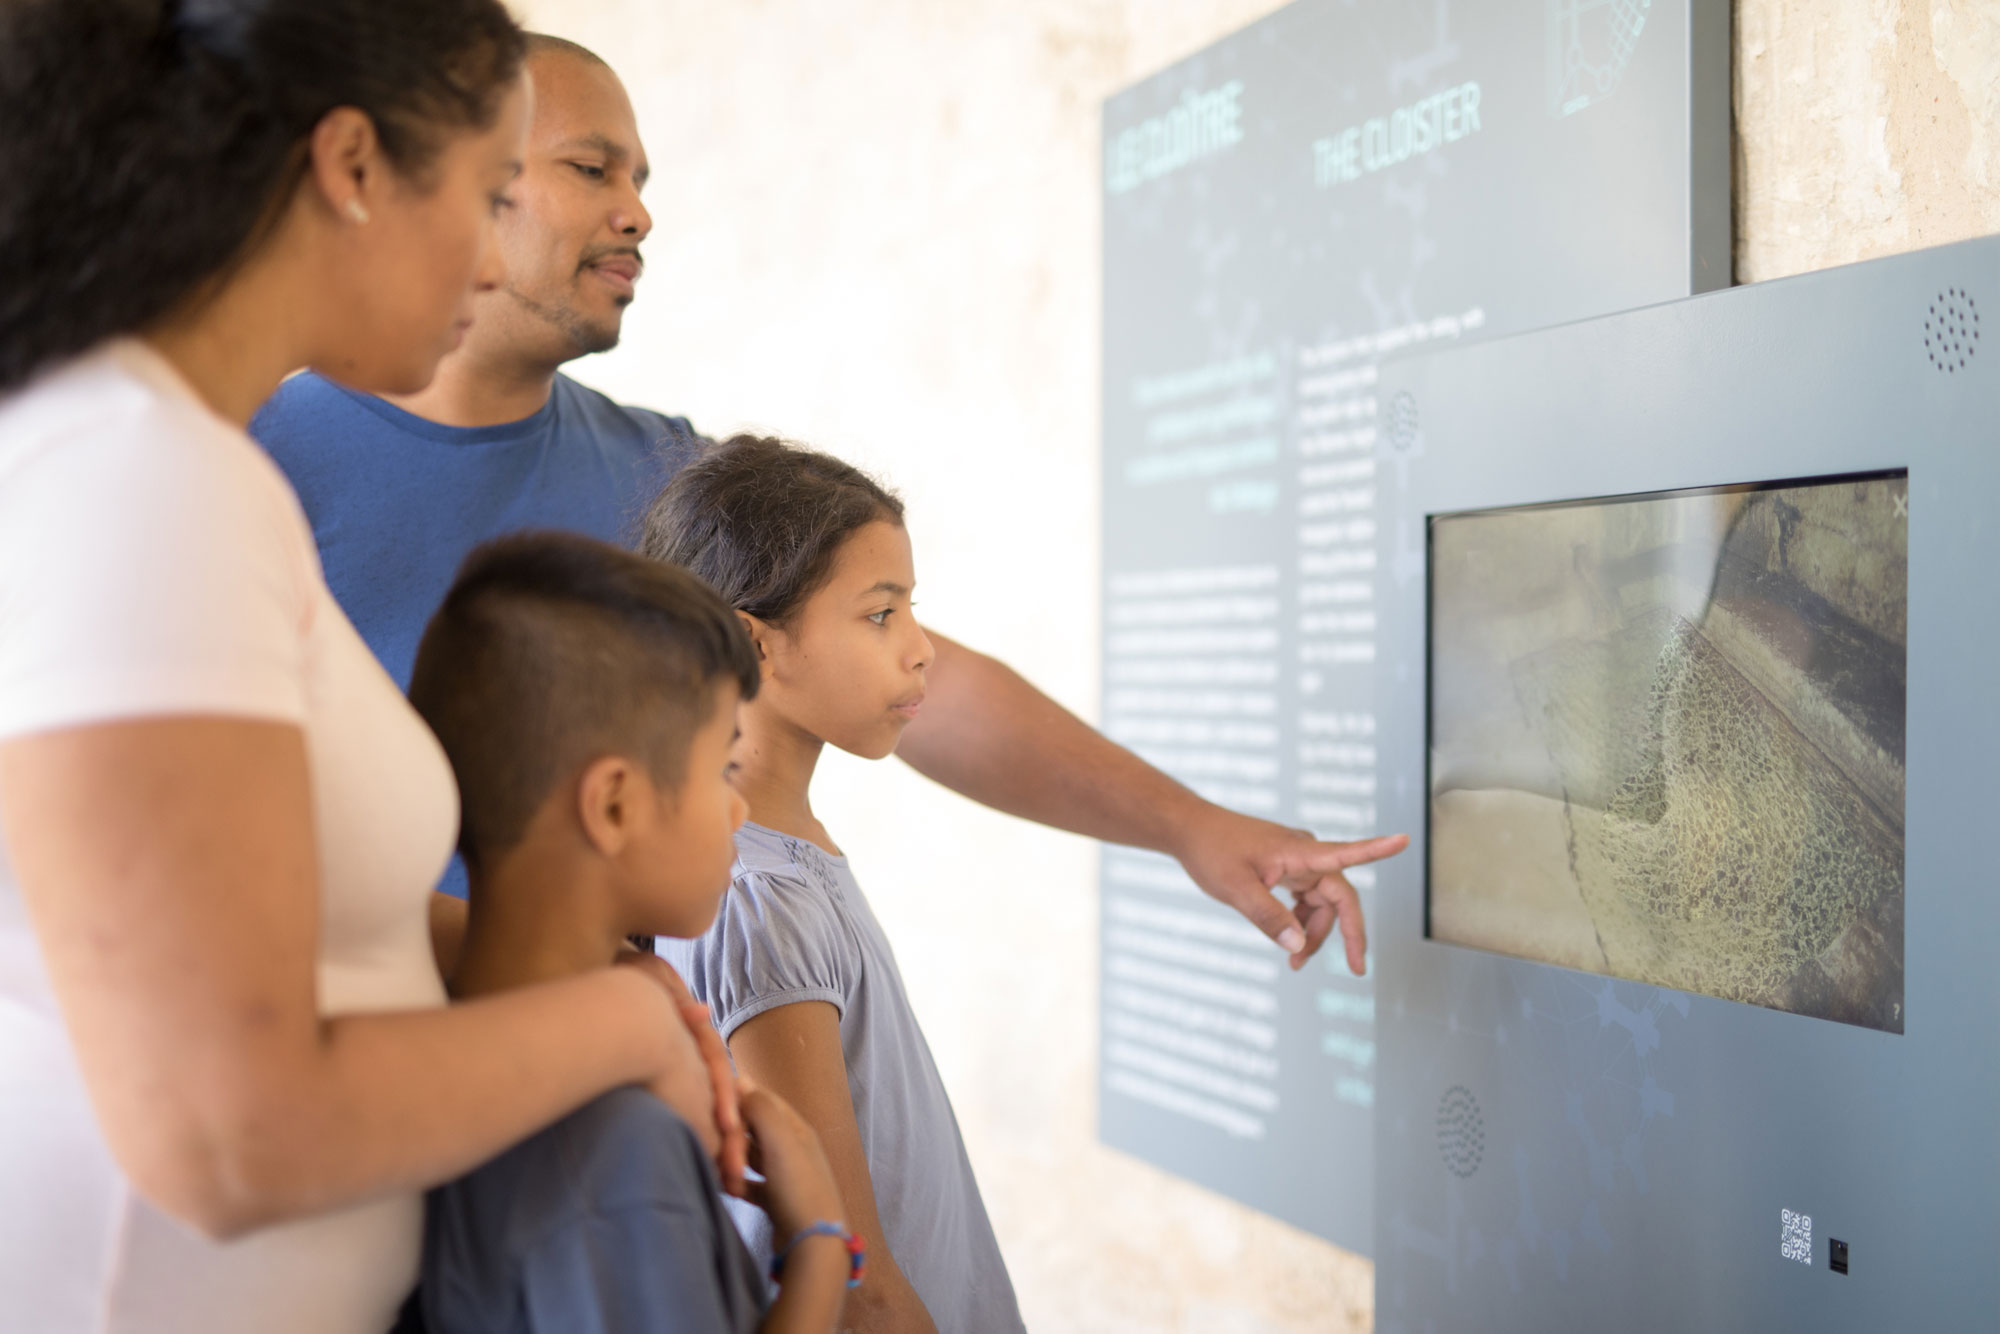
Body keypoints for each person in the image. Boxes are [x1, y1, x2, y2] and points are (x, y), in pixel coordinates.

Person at [250, 32, 1408, 965]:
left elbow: (912, 677)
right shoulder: (253, 455)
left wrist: (1189, 827)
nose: (639, 214)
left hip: (614, 1106)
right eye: (591, 169)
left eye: (642, 181)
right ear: (470, 184)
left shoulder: (666, 473)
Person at [0, 5, 729, 1330]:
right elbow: (233, 1135)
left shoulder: (178, 459)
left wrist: (601, 976)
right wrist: (626, 1036)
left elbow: (281, 916)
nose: (490, 246)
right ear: (351, 167)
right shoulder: (138, 472)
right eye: (491, 189)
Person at [407, 532, 853, 1334]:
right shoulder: (616, 1142)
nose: (739, 809)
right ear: (614, 806)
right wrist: (819, 1243)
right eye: (722, 769)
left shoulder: (435, 1060)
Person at [650, 436, 1024, 1334]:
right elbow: (852, 1285)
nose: (922, 650)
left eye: (909, 610)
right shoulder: (755, 899)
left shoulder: (778, 857)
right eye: (879, 615)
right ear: (753, 642)